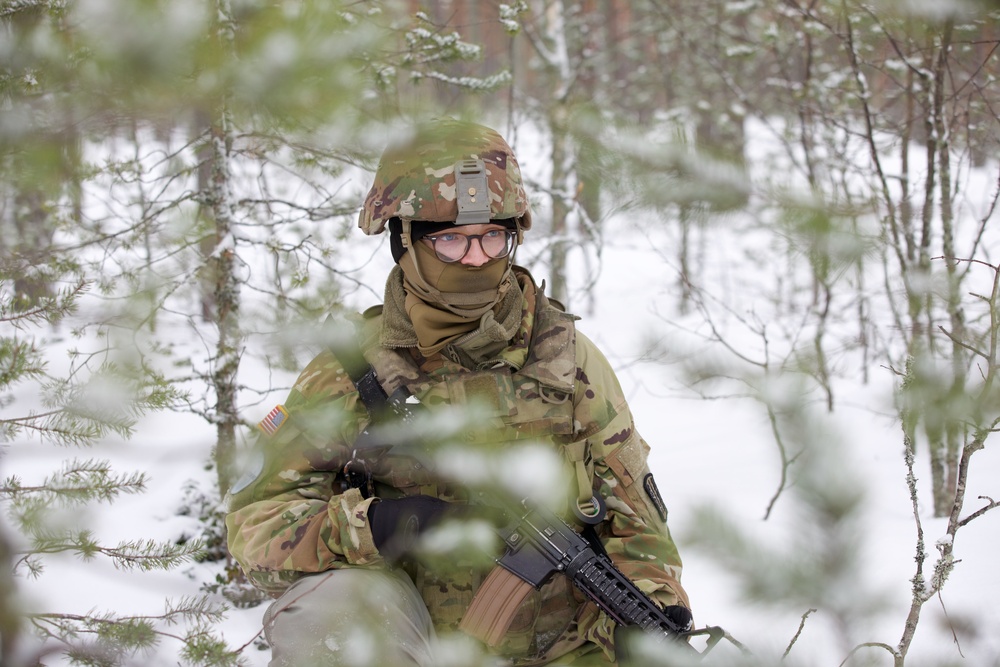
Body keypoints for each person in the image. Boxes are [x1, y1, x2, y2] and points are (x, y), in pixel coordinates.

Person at [225, 118, 691, 666]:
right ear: (403, 238)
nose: (476, 259)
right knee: (331, 611)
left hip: (561, 648)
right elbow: (254, 530)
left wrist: (654, 611)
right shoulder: (350, 371)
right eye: (450, 240)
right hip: (409, 646)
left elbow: (640, 529)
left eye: (492, 236)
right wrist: (374, 526)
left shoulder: (567, 361)